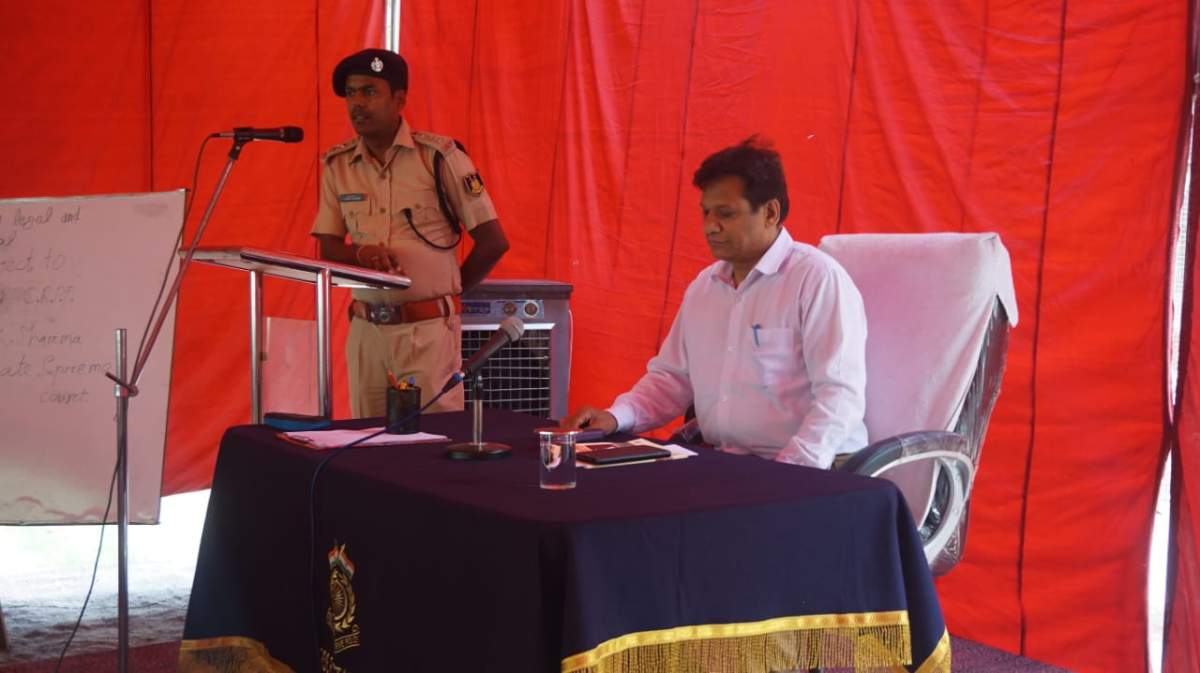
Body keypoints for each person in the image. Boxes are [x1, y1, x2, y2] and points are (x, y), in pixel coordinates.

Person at [563, 137, 868, 469]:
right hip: (729, 463)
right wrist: (616, 417)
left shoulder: (816, 279)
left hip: (817, 467)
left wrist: (790, 471)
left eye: (726, 213)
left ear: (770, 212)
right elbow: (671, 379)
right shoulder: (704, 287)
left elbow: (840, 396)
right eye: (706, 212)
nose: (710, 226)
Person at [312, 49, 509, 417]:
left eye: (370, 91)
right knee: (367, 440)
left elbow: (494, 241)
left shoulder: (439, 156)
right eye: (351, 93)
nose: (357, 103)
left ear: (399, 99)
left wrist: (447, 295)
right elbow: (328, 249)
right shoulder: (338, 166)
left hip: (427, 333)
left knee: (432, 440)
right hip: (367, 332)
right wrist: (361, 254)